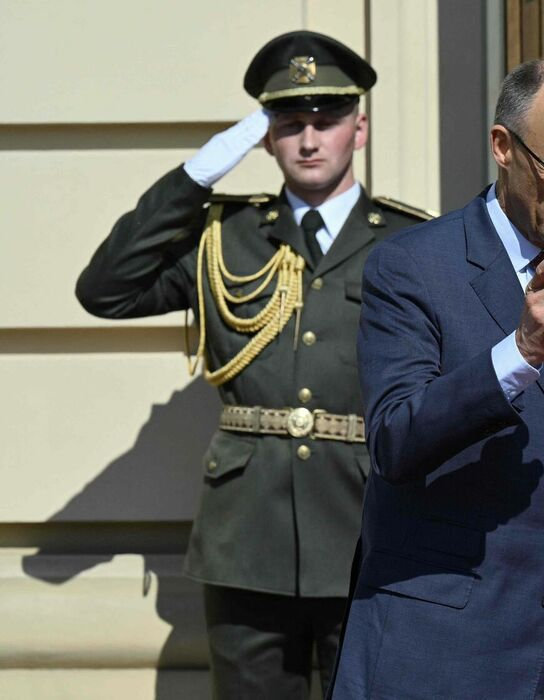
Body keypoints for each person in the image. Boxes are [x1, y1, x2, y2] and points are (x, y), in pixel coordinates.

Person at [75, 30, 431, 699]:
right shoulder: (224, 235)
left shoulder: (410, 242)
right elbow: (105, 289)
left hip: (369, 529)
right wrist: (194, 179)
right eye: (289, 123)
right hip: (246, 540)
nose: (308, 139)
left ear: (360, 127)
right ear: (265, 137)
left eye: (326, 122)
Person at [328, 59, 544, 699]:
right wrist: (520, 352)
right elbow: (395, 439)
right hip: (441, 657)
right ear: (503, 147)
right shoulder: (410, 266)